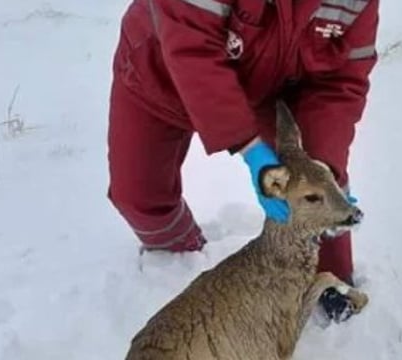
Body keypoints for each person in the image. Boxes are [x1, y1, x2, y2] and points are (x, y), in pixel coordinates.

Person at [106, 0, 379, 286]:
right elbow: (192, 51)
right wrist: (249, 146)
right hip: (159, 79)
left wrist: (322, 166)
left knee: (316, 179)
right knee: (138, 195)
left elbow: (341, 83)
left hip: (266, 90)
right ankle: (177, 255)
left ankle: (329, 282)